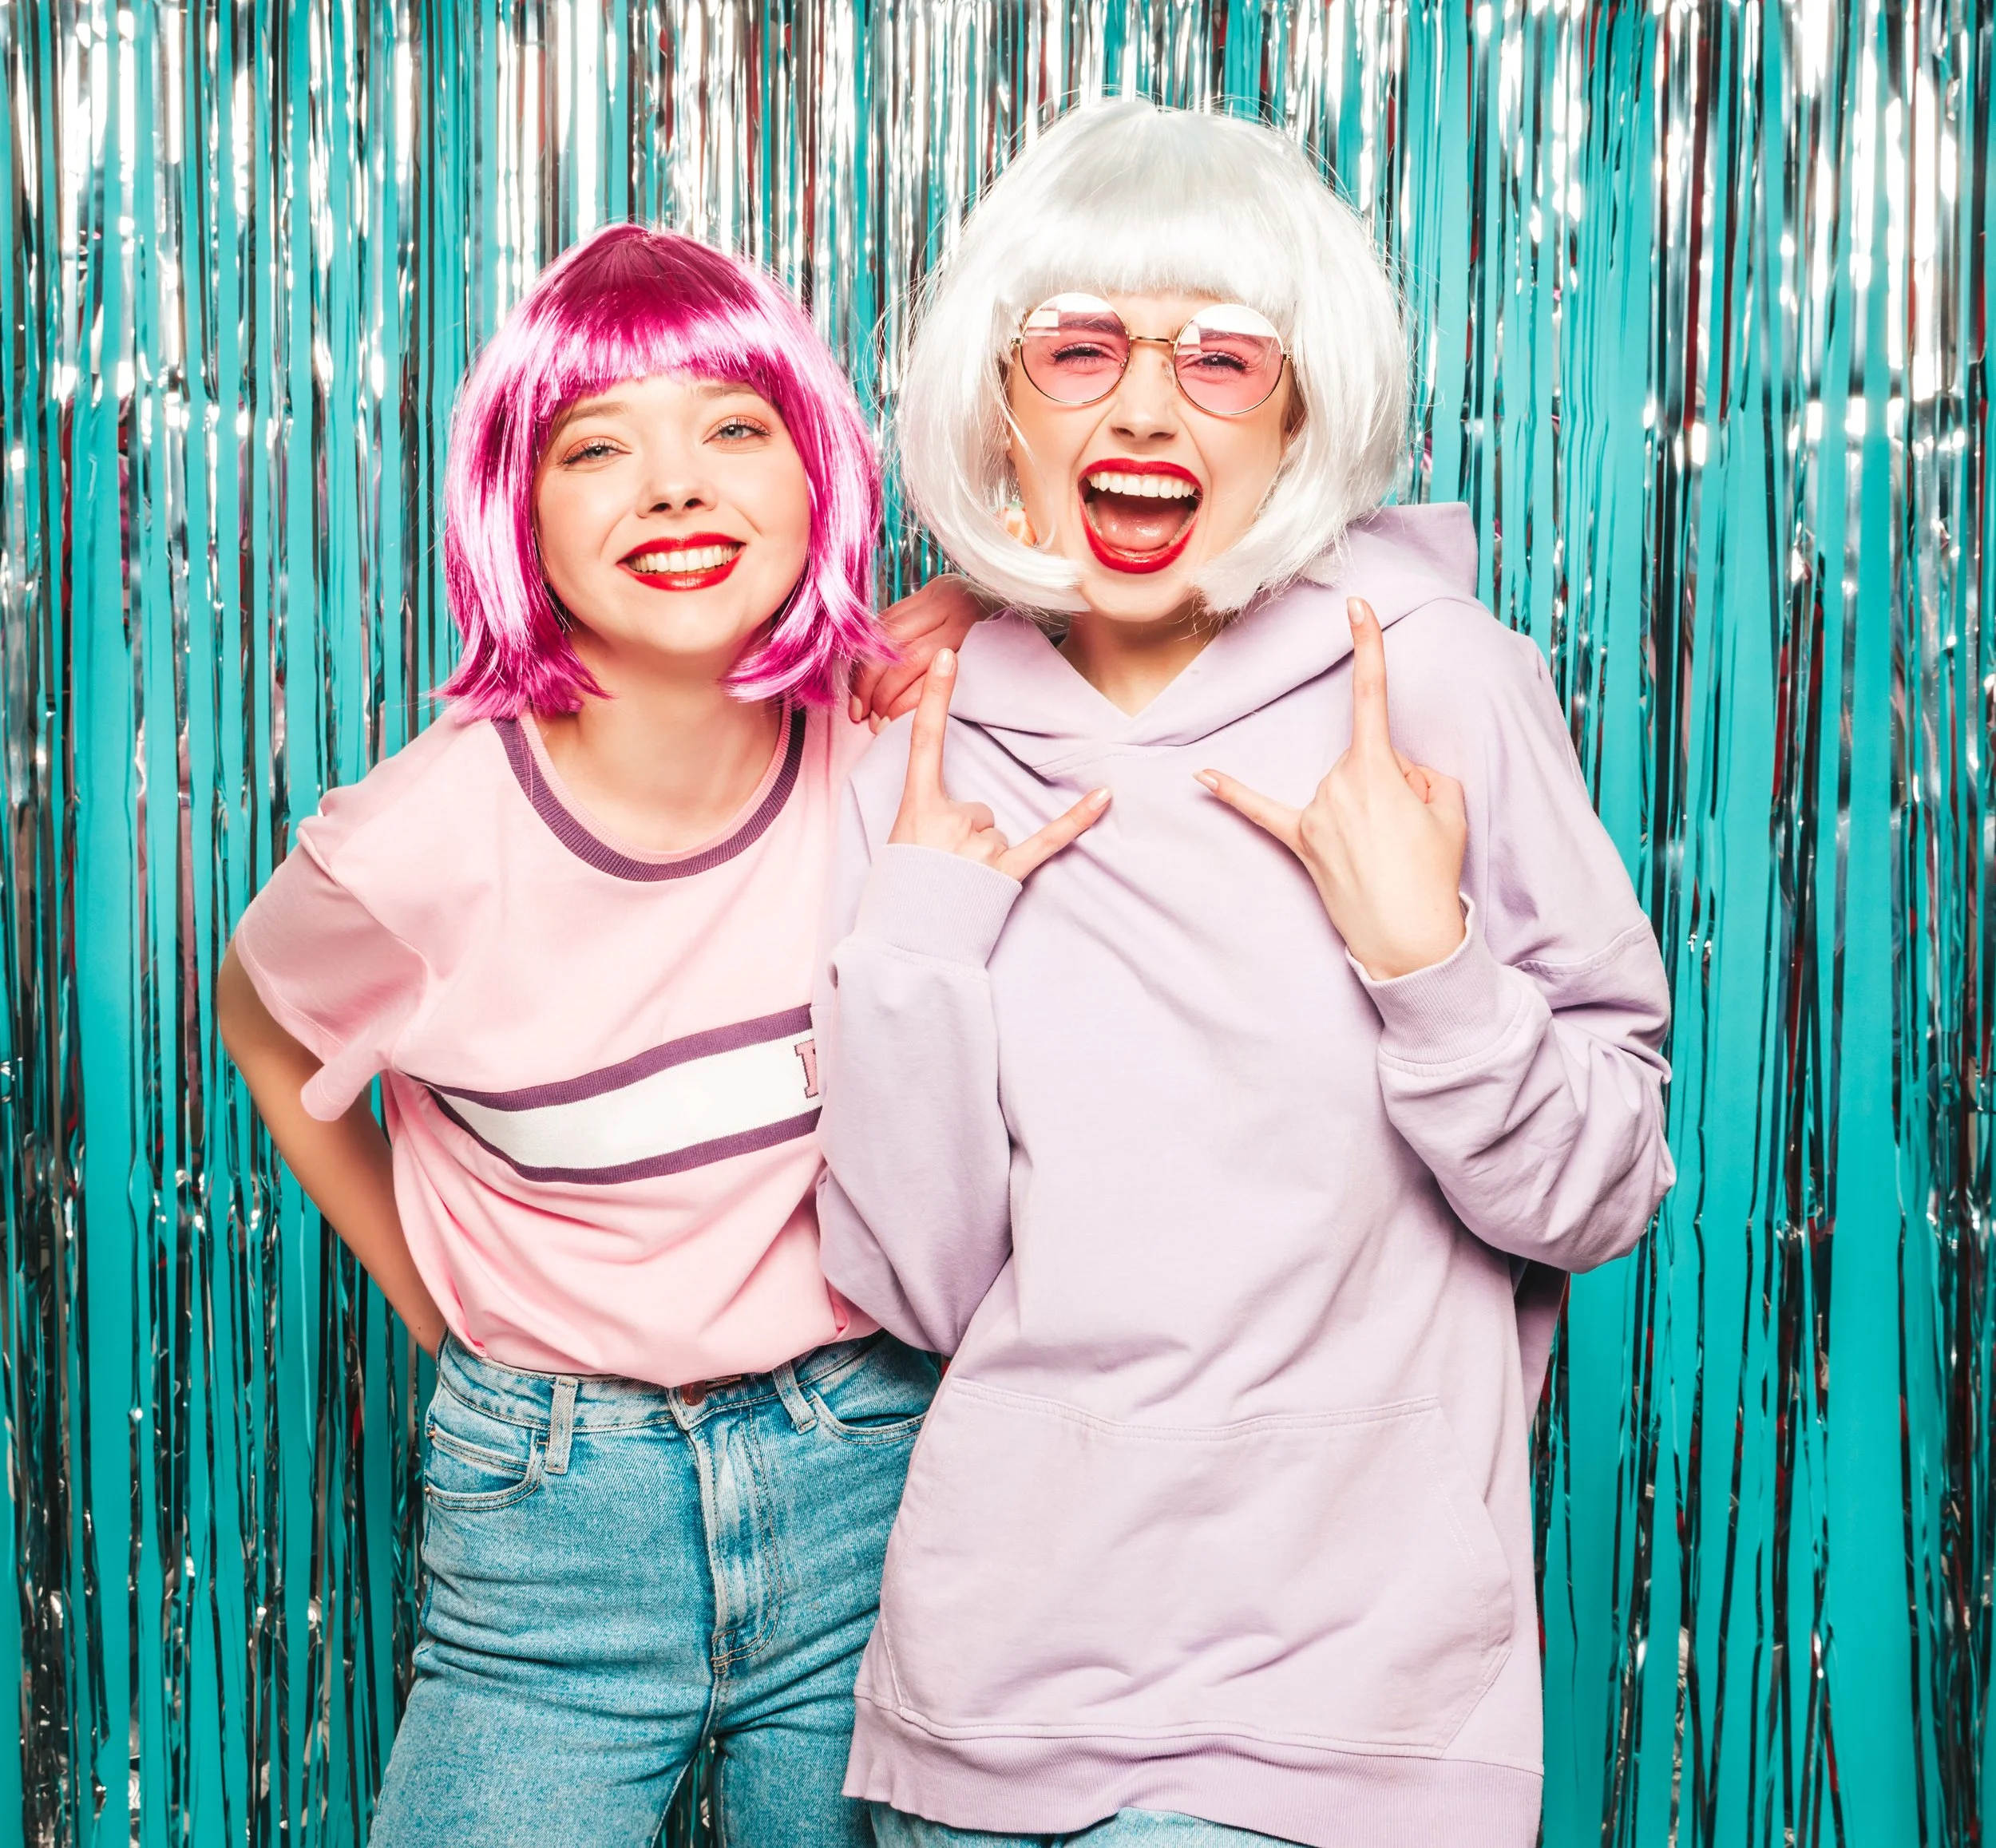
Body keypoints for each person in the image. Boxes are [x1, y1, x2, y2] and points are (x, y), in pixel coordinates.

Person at [813, 100, 1676, 1848]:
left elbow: (1598, 1191)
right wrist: (915, 941)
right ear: (1002, 399)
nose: (1140, 404)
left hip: (1347, 1719)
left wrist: (1423, 961)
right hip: (988, 1703)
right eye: (1080, 350)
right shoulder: (916, 736)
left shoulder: (1434, 681)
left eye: (1218, 356)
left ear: (1297, 404)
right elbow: (920, 1282)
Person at [217, 224, 968, 1847]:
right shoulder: (411, 849)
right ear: (518, 508)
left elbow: (1073, 590)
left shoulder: (887, 748)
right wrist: (444, 1301)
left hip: (870, 1467)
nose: (677, 487)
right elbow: (263, 1025)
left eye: (733, 429)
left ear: (816, 471)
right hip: (550, 1518)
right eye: (599, 445)